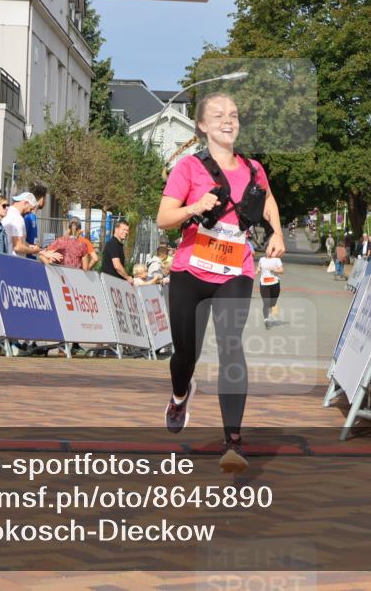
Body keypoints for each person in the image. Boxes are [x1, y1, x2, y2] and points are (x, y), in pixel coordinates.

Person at [156, 92, 285, 474]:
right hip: (190, 272)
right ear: (202, 126)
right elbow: (164, 217)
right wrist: (194, 207)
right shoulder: (188, 168)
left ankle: (233, 442)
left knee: (231, 346)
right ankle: (180, 395)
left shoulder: (254, 168)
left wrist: (276, 232)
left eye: (233, 114)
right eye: (218, 116)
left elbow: (268, 203)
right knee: (185, 355)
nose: (228, 121)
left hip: (236, 271)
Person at [3, 192, 48, 258]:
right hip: (14, 261)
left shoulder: (6, 213)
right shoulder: (18, 218)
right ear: (26, 203)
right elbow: (18, 247)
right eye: (31, 208)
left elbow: (21, 241)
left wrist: (33, 247)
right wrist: (33, 250)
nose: (30, 211)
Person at [257, 253, 283, 330]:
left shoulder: (277, 260)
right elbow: (259, 267)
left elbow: (281, 270)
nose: (269, 251)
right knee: (266, 302)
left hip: (275, 283)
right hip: (264, 283)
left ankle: (273, 310)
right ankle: (266, 320)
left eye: (272, 250)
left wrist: (275, 270)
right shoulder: (262, 259)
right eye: (268, 249)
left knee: (273, 302)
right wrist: (258, 270)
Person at [22, 183, 47, 260]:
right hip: (26, 259)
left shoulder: (33, 216)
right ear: (42, 200)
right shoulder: (28, 217)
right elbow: (22, 240)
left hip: (32, 258)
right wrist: (36, 250)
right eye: (45, 199)